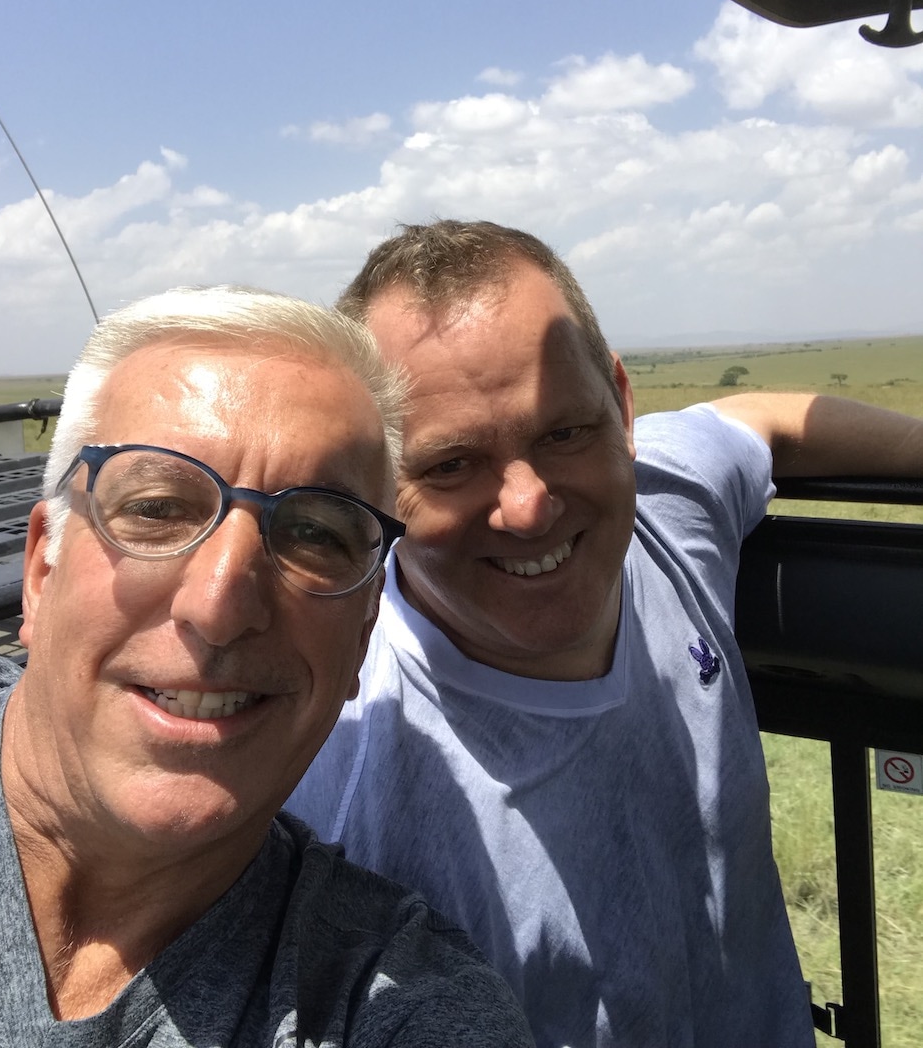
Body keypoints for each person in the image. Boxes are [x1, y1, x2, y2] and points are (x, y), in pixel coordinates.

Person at [289, 221, 923, 1048]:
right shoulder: (332, 772)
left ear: (623, 407)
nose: (528, 505)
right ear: (372, 480)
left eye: (563, 433)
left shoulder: (666, 505)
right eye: (450, 465)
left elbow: (764, 417)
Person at [0, 284, 535, 1048]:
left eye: (318, 533)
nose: (222, 603)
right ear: (42, 569)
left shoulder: (394, 1005)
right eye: (159, 507)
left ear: (363, 631)